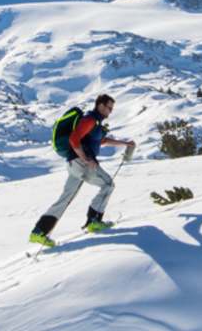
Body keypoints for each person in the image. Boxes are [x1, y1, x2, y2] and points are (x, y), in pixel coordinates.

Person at [28, 94, 136, 247]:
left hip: (74, 163)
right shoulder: (90, 120)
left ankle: (39, 232)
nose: (110, 111)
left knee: (66, 198)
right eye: (109, 108)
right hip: (82, 163)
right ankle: (94, 221)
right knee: (108, 185)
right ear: (100, 105)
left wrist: (124, 143)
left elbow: (102, 140)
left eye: (112, 109)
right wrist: (86, 159)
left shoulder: (96, 123)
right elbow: (74, 139)